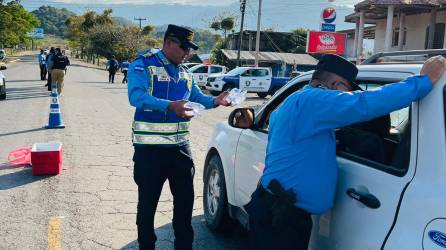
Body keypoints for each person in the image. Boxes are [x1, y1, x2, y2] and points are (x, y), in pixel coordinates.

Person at [244, 53, 446, 250]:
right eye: (346, 91)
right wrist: (423, 82)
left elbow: (298, 144)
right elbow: (364, 103)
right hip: (280, 217)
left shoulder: (298, 101)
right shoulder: (312, 101)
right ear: (335, 86)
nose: (345, 96)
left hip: (276, 209)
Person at [127, 24, 231, 250]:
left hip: (180, 151)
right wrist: (169, 106)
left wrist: (216, 100)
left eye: (189, 49)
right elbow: (136, 97)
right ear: (168, 43)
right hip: (149, 152)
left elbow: (198, 98)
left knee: (184, 206)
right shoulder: (144, 64)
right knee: (147, 207)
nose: (187, 53)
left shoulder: (185, 73)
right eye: (183, 47)